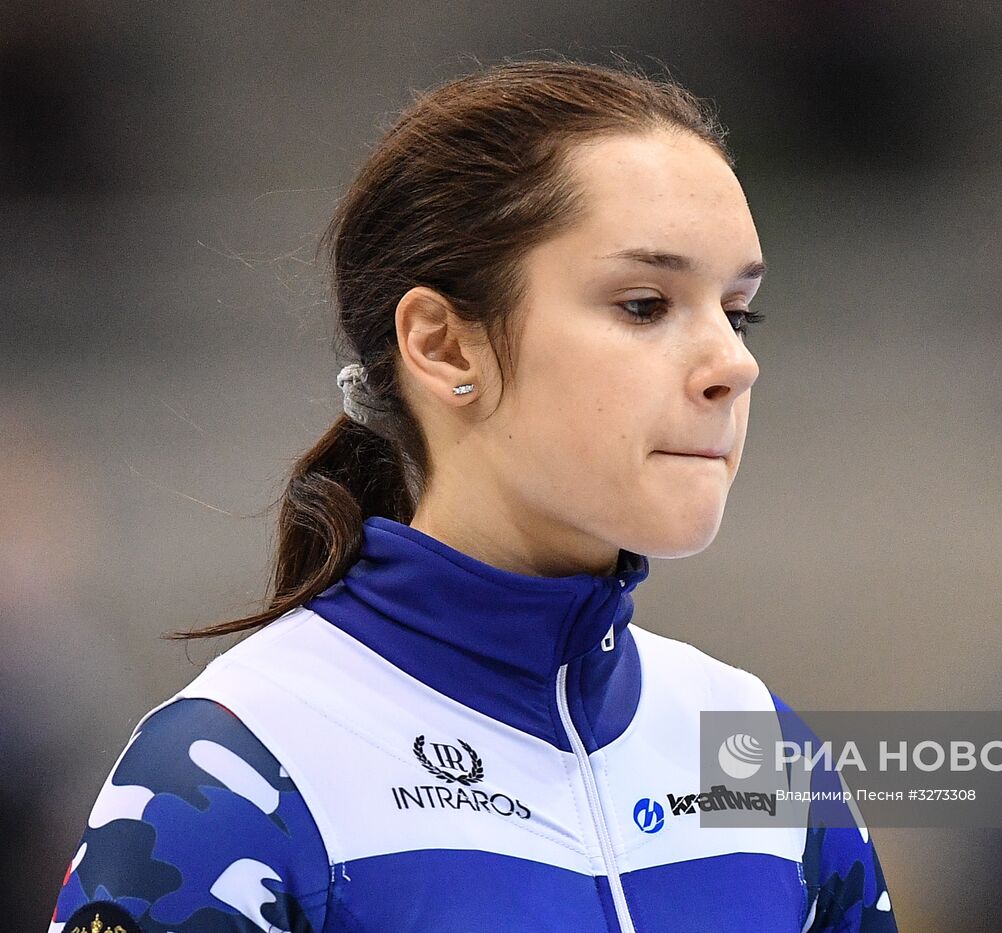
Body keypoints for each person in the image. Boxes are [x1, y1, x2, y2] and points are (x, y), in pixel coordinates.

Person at [49, 58, 897, 932]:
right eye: (646, 303)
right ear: (445, 347)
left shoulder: (757, 750)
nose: (733, 362)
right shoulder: (240, 764)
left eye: (738, 310)